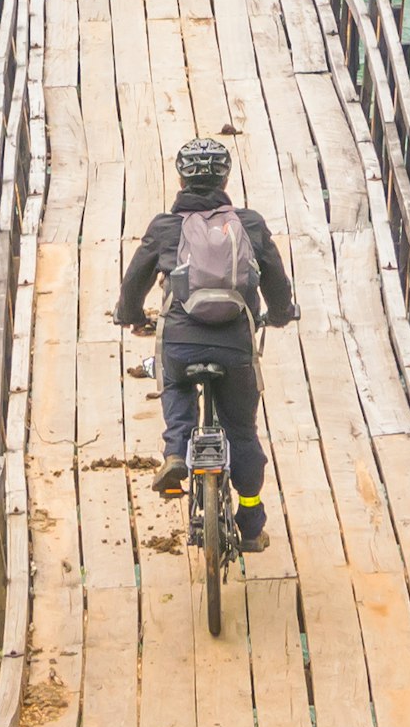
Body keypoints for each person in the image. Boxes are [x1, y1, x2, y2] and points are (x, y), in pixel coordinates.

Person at [115, 136, 298, 551]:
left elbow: (134, 283)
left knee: (175, 382)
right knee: (242, 432)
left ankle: (176, 451)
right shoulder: (248, 223)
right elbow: (275, 280)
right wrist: (283, 312)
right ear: (226, 176)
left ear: (180, 179)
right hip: (235, 347)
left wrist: (129, 316)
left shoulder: (165, 227)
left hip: (180, 341)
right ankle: (250, 523)